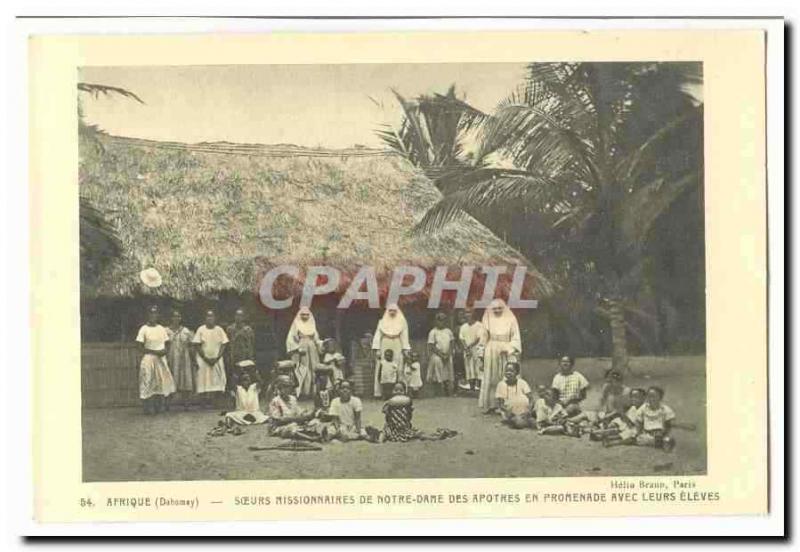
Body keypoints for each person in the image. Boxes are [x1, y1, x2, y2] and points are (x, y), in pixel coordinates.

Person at [478, 299, 521, 414]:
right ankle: (491, 404)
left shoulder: (511, 319)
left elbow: (516, 337)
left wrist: (509, 349)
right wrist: (481, 354)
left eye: (500, 308)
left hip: (506, 350)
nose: (497, 311)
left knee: (506, 376)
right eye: (494, 309)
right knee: (491, 378)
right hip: (491, 350)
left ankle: (508, 405)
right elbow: (483, 337)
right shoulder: (487, 318)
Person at [135, 306, 177, 414]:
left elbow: (167, 343)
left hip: (160, 358)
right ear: (148, 315)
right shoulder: (144, 329)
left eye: (155, 314)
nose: (153, 316)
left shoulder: (161, 329)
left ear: (157, 315)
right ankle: (147, 408)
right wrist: (154, 352)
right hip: (149, 358)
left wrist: (164, 351)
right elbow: (139, 346)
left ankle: (159, 406)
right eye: (151, 314)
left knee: (161, 381)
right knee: (147, 381)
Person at [267, 375, 332, 442]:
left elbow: (300, 412)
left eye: (289, 387)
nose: (288, 389)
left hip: (294, 423)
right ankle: (312, 438)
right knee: (291, 428)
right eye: (285, 387)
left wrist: (312, 413)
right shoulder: (275, 401)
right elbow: (279, 420)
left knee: (315, 422)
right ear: (279, 388)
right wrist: (300, 419)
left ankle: (319, 434)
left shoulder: (292, 399)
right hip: (279, 427)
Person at [371, 304, 411, 398]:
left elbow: (404, 335)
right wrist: (377, 349)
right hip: (385, 342)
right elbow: (377, 336)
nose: (392, 312)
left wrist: (405, 348)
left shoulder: (402, 321)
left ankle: (400, 390)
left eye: (394, 310)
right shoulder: (382, 322)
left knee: (398, 366)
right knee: (383, 366)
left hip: (397, 342)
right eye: (390, 310)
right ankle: (380, 392)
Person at [191, 310, 229, 408]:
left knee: (217, 380)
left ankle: (215, 402)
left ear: (215, 318)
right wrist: (205, 358)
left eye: (212, 316)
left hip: (216, 359)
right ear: (205, 318)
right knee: (203, 380)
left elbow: (224, 344)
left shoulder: (219, 330)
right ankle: (203, 403)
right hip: (204, 360)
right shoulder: (201, 329)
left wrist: (217, 357)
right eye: (208, 316)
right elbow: (197, 345)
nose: (210, 318)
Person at [286, 306, 322, 399]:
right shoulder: (296, 324)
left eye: (307, 314)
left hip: (312, 348)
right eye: (303, 314)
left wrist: (320, 345)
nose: (305, 316)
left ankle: (313, 391)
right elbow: (291, 338)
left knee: (313, 368)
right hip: (302, 348)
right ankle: (303, 392)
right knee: (303, 369)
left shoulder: (311, 324)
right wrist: (296, 348)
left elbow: (316, 338)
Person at [165, 309, 194, 409]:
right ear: (171, 318)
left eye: (178, 316)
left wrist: (193, 358)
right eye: (174, 316)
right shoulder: (166, 331)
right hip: (171, 357)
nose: (176, 319)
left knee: (184, 380)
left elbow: (191, 345)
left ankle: (186, 404)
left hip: (184, 359)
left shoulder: (186, 331)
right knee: (170, 379)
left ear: (180, 318)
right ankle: (167, 404)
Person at [632, 386, 676, 451]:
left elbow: (669, 425)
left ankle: (660, 442)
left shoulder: (665, 409)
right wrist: (639, 433)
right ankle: (659, 443)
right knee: (636, 437)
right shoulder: (644, 408)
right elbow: (638, 421)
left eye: (654, 396)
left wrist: (664, 433)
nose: (651, 398)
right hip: (646, 433)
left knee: (664, 438)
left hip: (659, 434)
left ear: (660, 397)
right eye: (649, 396)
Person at [495, 362, 534, 429]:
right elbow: (501, 404)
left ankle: (523, 421)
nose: (508, 373)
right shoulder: (501, 384)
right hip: (510, 413)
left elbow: (531, 399)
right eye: (507, 371)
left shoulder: (522, 382)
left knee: (531, 421)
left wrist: (529, 410)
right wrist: (509, 412)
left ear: (517, 373)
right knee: (519, 423)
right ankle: (514, 421)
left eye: (511, 371)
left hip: (525, 412)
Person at [427, 312, 455, 396]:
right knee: (438, 363)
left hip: (447, 354)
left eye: (443, 320)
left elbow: (452, 342)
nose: (441, 322)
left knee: (449, 367)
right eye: (439, 321)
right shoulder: (433, 332)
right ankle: (439, 387)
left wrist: (448, 354)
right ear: (436, 321)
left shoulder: (448, 331)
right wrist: (441, 354)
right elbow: (431, 346)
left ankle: (447, 388)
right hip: (437, 354)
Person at [226, 308, 255, 390]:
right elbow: (228, 343)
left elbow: (251, 344)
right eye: (237, 315)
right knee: (234, 378)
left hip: (245, 356)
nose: (238, 317)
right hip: (234, 357)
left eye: (241, 315)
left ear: (244, 317)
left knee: (246, 377)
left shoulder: (248, 330)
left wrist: (250, 357)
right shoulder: (230, 329)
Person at [459, 309, 484, 392]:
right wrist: (466, 348)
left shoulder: (479, 325)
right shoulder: (463, 327)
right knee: (469, 367)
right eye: (466, 313)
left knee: (478, 367)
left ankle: (479, 387)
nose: (467, 315)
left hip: (477, 349)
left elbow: (479, 338)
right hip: (467, 350)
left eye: (469, 313)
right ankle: (471, 388)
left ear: (473, 315)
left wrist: (469, 346)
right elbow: (462, 338)